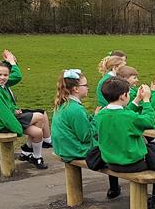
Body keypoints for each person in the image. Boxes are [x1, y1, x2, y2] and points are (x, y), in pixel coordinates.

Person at [95, 77, 155, 209]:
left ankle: (154, 199)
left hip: (110, 161)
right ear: (123, 96)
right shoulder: (128, 116)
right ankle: (154, 201)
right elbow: (149, 121)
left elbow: (121, 113)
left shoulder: (101, 114)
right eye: (128, 93)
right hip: (131, 163)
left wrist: (136, 100)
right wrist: (146, 101)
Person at [51, 69, 121, 199]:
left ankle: (114, 187)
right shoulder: (75, 109)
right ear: (76, 89)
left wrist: (93, 117)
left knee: (109, 144)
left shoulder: (66, 103)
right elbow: (86, 136)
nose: (88, 88)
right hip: (74, 150)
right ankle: (115, 187)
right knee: (112, 147)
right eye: (85, 85)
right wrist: (98, 118)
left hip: (64, 147)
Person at [0, 60, 50, 169]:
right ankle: (30, 153)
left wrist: (14, 109)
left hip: (6, 119)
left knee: (38, 131)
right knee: (39, 120)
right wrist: (17, 130)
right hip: (0, 123)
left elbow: (7, 105)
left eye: (5, 75)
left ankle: (34, 156)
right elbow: (2, 113)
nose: (2, 77)